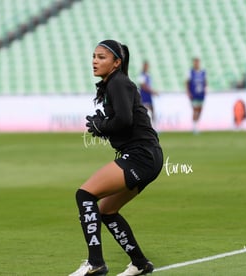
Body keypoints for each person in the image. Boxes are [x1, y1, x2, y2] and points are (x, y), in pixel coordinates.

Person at [69, 40, 163, 276]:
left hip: (140, 156)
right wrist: (103, 127)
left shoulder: (118, 82)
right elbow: (123, 122)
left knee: (85, 194)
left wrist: (102, 126)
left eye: (101, 57)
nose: (94, 61)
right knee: (107, 211)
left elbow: (124, 121)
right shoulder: (115, 83)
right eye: (94, 56)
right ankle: (140, 264)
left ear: (116, 63)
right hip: (147, 157)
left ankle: (95, 263)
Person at [186, 57, 206, 133]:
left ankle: (196, 124)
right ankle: (194, 127)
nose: (196, 63)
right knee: (195, 109)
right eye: (195, 62)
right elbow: (187, 82)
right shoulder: (190, 72)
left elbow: (205, 82)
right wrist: (188, 92)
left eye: (197, 62)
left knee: (200, 109)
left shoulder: (202, 72)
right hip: (194, 94)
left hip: (201, 94)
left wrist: (205, 89)